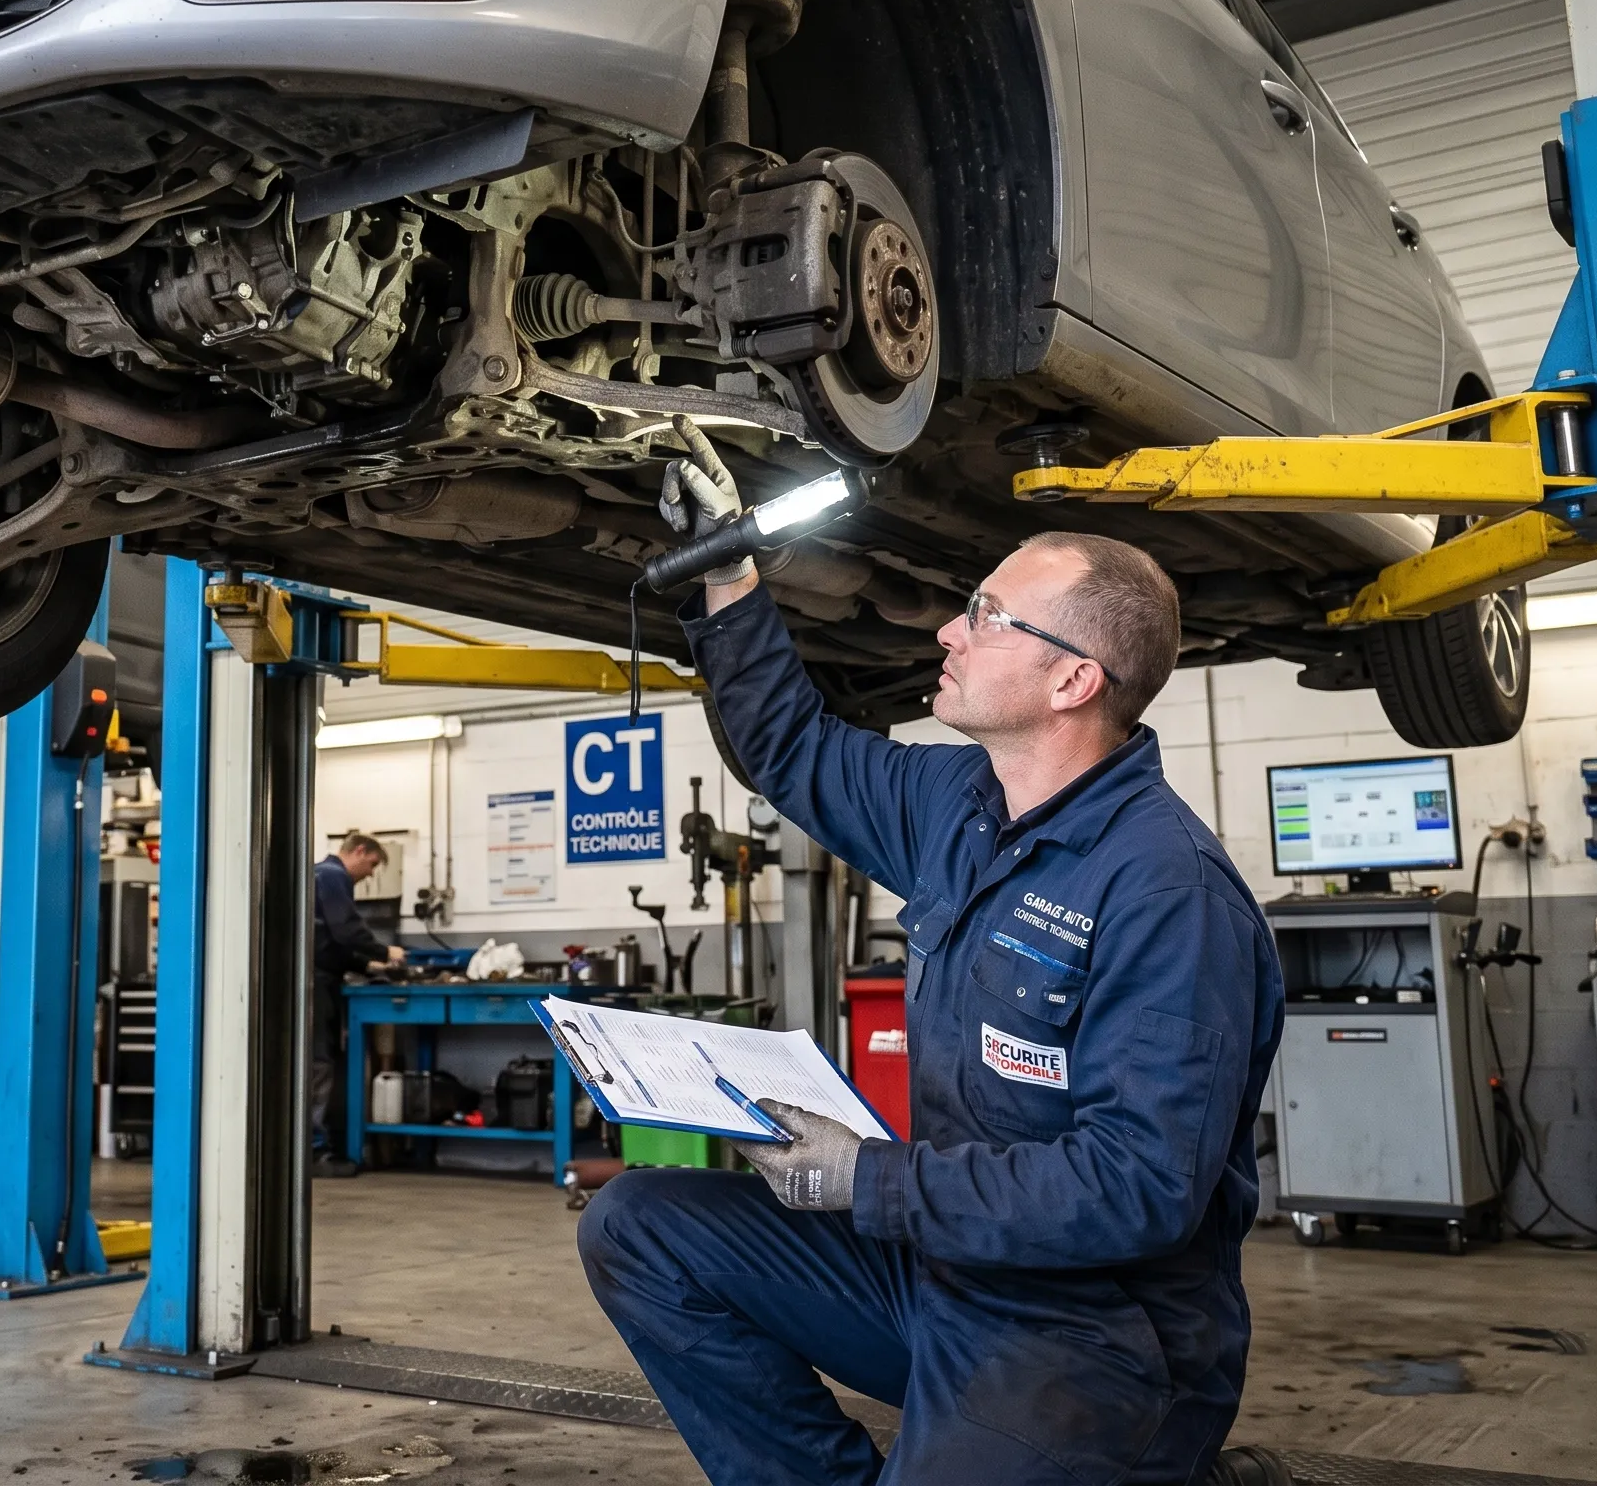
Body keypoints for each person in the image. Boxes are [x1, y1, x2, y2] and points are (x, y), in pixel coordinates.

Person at [578, 421, 1285, 1485]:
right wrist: (725, 574)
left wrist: (872, 1179)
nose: (952, 633)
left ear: (1071, 682)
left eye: (988, 617)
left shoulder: (1165, 894)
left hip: (1097, 1338)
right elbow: (794, 749)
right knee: (640, 1222)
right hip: (947, 1279)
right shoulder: (960, 802)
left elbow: (1136, 1188)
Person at [311, 831, 405, 1177]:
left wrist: (366, 966)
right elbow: (345, 929)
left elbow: (330, 943)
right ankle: (313, 1152)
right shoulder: (334, 875)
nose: (371, 873)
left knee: (318, 1062)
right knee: (318, 1064)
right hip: (315, 984)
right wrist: (384, 952)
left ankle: (314, 1145)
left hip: (319, 979)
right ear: (359, 851)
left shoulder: (318, 875)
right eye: (372, 864)